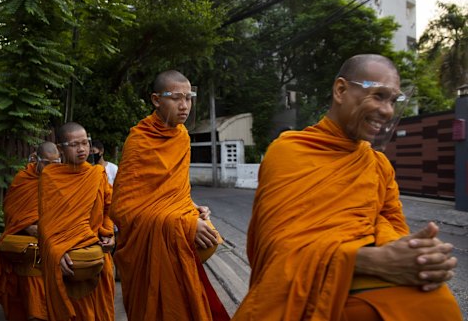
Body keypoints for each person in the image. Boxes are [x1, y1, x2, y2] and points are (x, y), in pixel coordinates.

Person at [232, 54, 461, 320]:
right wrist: (364, 260)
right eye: (378, 96)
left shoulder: (378, 164)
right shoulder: (290, 152)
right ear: (341, 90)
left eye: (393, 100)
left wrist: (420, 257)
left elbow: (394, 228)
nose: (387, 111)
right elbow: (276, 247)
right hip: (308, 299)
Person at [109, 70, 230, 320]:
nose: (184, 106)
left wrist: (192, 207)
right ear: (156, 99)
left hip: (172, 242)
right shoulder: (140, 141)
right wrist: (181, 223)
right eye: (176, 98)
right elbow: (124, 210)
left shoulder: (182, 137)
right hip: (148, 249)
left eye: (188, 98)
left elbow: (175, 191)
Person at [38, 122, 115, 321]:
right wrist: (56, 250)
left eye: (85, 143)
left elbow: (108, 209)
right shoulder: (50, 177)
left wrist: (109, 234)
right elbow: (47, 221)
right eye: (74, 145)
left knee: (100, 311)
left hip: (95, 253)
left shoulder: (97, 175)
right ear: (61, 148)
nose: (81, 149)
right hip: (67, 258)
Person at [0, 141, 60, 321]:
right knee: (31, 289)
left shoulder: (60, 179)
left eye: (56, 163)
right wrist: (27, 226)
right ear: (37, 159)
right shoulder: (23, 179)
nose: (51, 168)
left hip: (53, 242)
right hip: (28, 245)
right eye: (47, 163)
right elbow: (11, 210)